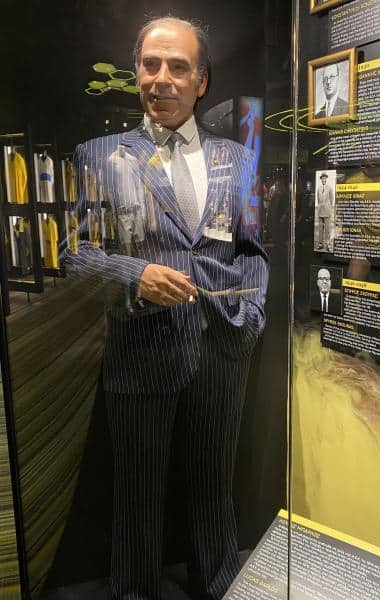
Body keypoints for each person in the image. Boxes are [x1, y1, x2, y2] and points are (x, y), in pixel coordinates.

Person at [62, 16, 268, 600]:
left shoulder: (238, 160)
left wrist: (249, 320)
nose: (162, 78)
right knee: (137, 492)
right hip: (140, 348)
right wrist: (135, 275)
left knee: (213, 486)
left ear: (201, 81)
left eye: (178, 67)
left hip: (221, 347)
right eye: (150, 65)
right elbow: (76, 254)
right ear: (137, 73)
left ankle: (219, 584)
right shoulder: (100, 155)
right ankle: (134, 591)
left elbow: (253, 251)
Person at [316, 172, 334, 251]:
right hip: (320, 211)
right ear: (321, 179)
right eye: (322, 178)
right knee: (320, 229)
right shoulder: (319, 188)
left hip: (327, 211)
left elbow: (331, 199)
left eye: (324, 178)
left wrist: (329, 208)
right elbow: (318, 199)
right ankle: (320, 244)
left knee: (327, 229)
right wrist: (320, 206)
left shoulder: (329, 187)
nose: (323, 180)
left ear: (326, 179)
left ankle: (328, 245)